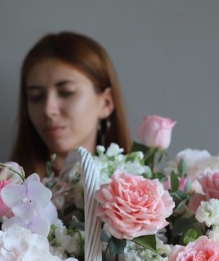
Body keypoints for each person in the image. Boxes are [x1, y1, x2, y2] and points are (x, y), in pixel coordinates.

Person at [10, 31, 131, 177]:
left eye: (67, 92)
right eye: (36, 97)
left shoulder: (144, 189)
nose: (48, 110)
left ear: (106, 103)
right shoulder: (6, 192)